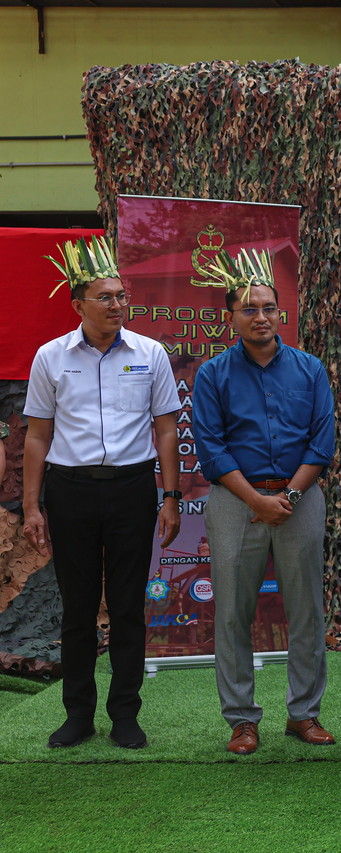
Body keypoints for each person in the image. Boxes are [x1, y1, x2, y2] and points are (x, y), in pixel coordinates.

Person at [22, 236, 182, 750]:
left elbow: (164, 429)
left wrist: (172, 496)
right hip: (69, 492)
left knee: (129, 605)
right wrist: (31, 506)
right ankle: (78, 714)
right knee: (78, 607)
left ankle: (125, 714)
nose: (117, 305)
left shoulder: (150, 353)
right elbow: (37, 435)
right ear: (78, 305)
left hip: (133, 489)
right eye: (105, 297)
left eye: (121, 296)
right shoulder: (50, 357)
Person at [192, 248, 336, 756]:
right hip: (236, 500)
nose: (260, 317)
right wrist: (257, 498)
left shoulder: (310, 369)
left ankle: (304, 714)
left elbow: (323, 442)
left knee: (306, 611)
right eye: (248, 309)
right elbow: (211, 448)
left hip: (300, 497)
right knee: (233, 612)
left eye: (268, 308)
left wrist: (289, 496)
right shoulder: (212, 375)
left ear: (281, 313)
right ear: (230, 317)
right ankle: (242, 720)